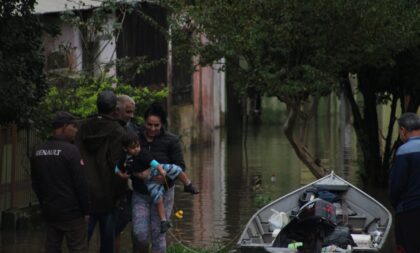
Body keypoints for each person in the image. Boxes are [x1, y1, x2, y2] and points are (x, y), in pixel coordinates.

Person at [132, 103, 190, 253]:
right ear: (144, 122)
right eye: (149, 125)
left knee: (158, 234)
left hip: (163, 194)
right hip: (140, 193)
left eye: (156, 125)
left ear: (162, 124)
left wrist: (166, 178)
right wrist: (138, 174)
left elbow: (180, 167)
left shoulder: (171, 140)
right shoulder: (134, 139)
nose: (152, 129)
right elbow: (126, 161)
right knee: (140, 234)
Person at [115, 133, 198, 233]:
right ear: (125, 148)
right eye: (133, 148)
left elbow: (153, 162)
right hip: (148, 181)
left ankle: (187, 184)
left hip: (156, 170)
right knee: (157, 198)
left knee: (176, 169)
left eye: (138, 146)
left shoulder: (143, 153)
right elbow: (116, 168)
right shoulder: (124, 158)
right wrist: (122, 175)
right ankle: (164, 221)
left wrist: (161, 170)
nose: (137, 149)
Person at [30, 112, 89, 253]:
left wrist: (44, 204)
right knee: (78, 248)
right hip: (72, 213)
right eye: (73, 126)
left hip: (50, 211)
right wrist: (86, 210)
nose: (76, 130)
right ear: (64, 127)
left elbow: (35, 183)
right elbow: (80, 183)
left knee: (52, 247)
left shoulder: (37, 151)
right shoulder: (71, 151)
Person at [76, 90, 126, 253]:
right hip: (108, 196)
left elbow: (75, 158)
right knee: (107, 245)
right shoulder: (117, 130)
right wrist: (120, 194)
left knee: (80, 244)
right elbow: (117, 164)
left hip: (84, 195)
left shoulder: (82, 126)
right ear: (114, 109)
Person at [389, 112, 420, 253]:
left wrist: (395, 204)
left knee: (406, 248)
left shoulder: (404, 151)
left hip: (409, 211)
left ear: (403, 130)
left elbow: (396, 186)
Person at [114, 94, 138, 253]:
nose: (131, 116)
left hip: (133, 184)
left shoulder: (133, 128)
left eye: (132, 112)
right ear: (117, 110)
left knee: (138, 225)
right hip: (115, 187)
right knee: (115, 227)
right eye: (128, 112)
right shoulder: (111, 129)